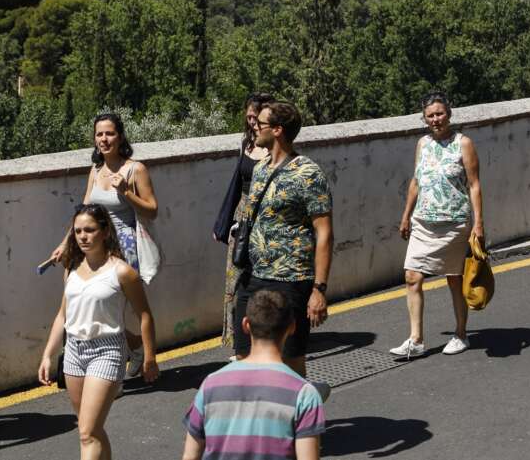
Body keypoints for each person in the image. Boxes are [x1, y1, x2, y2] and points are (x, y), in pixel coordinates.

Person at [38, 204, 159, 460]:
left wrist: (150, 358)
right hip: (73, 352)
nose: (83, 236)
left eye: (90, 230)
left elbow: (145, 315)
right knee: (90, 429)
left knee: (87, 432)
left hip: (107, 351)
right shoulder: (71, 267)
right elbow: (63, 314)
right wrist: (48, 354)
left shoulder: (122, 272)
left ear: (104, 231)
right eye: (78, 231)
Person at [233, 101, 333, 391]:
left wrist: (319, 290)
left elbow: (324, 232)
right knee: (243, 353)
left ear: (277, 130)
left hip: (291, 280)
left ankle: (302, 418)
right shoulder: (260, 168)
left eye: (260, 124)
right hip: (254, 276)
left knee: (290, 361)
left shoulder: (308, 173)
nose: (254, 127)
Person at [49, 112, 158, 376]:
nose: (104, 139)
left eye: (109, 133)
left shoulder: (135, 169)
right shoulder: (96, 170)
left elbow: (152, 210)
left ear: (120, 136)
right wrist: (65, 243)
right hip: (93, 243)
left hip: (123, 246)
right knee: (85, 304)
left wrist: (126, 192)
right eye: (99, 134)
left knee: (113, 311)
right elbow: (84, 211)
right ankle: (133, 347)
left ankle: (113, 376)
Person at [392, 91, 485, 358]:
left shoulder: (463, 143)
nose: (436, 119)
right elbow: (416, 181)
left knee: (454, 280)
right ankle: (416, 339)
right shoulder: (422, 144)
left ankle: (461, 334)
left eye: (440, 113)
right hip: (423, 221)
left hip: (454, 224)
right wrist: (406, 215)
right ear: (424, 118)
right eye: (430, 115)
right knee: (412, 275)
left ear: (449, 113)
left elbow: (474, 185)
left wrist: (478, 224)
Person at [182, 289, 325, 460]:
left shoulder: (210, 385)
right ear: (292, 327)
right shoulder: (305, 394)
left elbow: (190, 456)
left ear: (245, 325)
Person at [212, 93, 275, 353]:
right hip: (242, 218)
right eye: (248, 118)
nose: (251, 123)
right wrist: (224, 224)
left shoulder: (275, 146)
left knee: (262, 280)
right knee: (235, 279)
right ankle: (237, 342)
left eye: (255, 119)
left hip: (266, 218)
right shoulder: (246, 143)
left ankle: (266, 337)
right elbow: (236, 183)